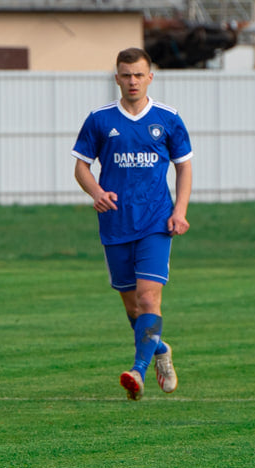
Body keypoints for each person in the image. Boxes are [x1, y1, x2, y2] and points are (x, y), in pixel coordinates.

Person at [72, 47, 193, 401]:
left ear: (150, 77)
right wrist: (95, 191)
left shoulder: (168, 119)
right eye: (126, 75)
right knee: (133, 309)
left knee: (148, 296)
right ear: (117, 78)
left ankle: (137, 372)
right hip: (115, 224)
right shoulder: (100, 119)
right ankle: (159, 350)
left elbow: (184, 165)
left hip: (156, 221)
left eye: (139, 75)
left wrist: (180, 210)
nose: (133, 81)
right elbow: (81, 166)